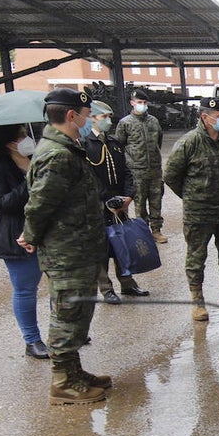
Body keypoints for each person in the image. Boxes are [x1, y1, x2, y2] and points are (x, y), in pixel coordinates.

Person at [18, 88, 110, 405]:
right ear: (72, 115)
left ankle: (74, 373)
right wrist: (30, 235)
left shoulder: (67, 149)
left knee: (77, 311)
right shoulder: (57, 155)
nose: (89, 120)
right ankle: (62, 382)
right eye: (86, 115)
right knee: (67, 314)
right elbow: (40, 204)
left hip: (78, 247)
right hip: (67, 251)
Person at [163, 97, 219, 322]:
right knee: (196, 258)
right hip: (199, 213)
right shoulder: (189, 142)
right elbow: (171, 176)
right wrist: (192, 197)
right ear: (205, 117)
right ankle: (197, 302)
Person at [0, 123, 47, 359]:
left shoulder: (37, 158)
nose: (27, 139)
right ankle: (32, 340)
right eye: (21, 136)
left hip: (49, 232)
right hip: (17, 237)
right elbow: (0, 203)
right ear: (9, 142)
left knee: (61, 285)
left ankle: (63, 332)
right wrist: (30, 179)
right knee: (26, 290)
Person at [84, 100, 149, 303]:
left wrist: (129, 196)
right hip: (99, 204)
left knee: (123, 243)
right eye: (103, 117)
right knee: (101, 249)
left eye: (109, 117)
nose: (108, 121)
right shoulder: (85, 145)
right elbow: (90, 178)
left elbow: (127, 171)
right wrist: (107, 200)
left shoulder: (113, 143)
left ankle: (127, 283)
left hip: (120, 202)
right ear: (92, 118)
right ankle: (106, 289)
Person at [114, 88, 167, 243]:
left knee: (156, 202)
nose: (142, 105)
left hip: (154, 170)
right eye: (139, 102)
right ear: (132, 103)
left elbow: (158, 142)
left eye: (144, 102)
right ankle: (143, 232)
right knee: (140, 204)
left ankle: (156, 230)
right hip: (136, 171)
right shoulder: (125, 123)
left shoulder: (154, 121)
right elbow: (119, 145)